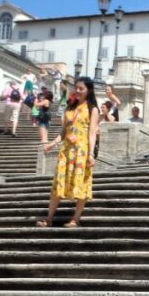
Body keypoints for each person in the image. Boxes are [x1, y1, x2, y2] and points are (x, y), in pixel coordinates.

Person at [37, 77, 100, 228]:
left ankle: (75, 219)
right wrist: (52, 144)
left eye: (81, 89)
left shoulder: (93, 109)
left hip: (81, 151)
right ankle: (49, 217)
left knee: (81, 183)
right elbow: (64, 132)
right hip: (66, 151)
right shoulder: (69, 108)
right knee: (58, 182)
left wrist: (91, 154)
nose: (77, 91)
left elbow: (92, 133)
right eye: (76, 88)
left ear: (88, 90)